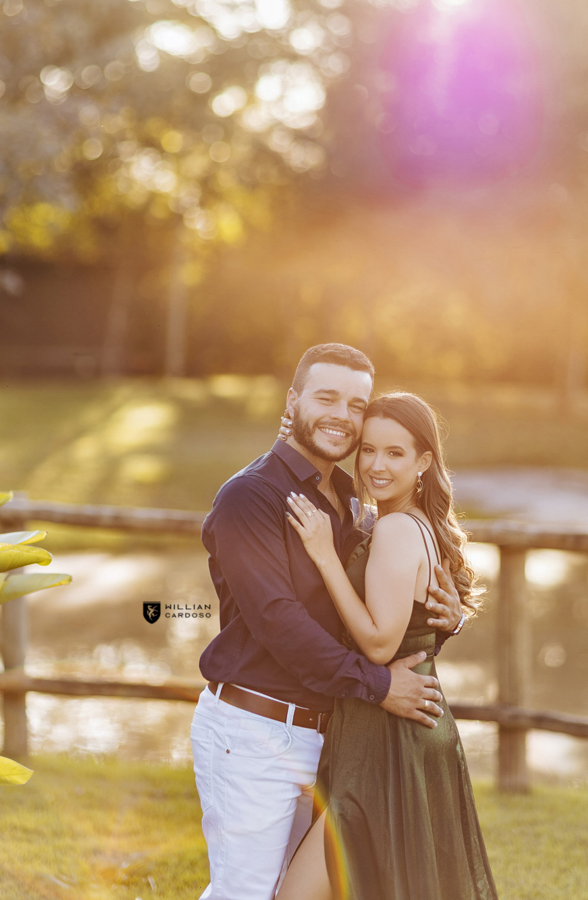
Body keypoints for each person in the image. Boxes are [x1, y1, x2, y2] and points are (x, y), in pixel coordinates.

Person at [190, 344, 465, 900]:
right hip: (254, 731)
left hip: (330, 733)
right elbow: (279, 623)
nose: (342, 414)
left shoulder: (348, 499)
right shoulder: (251, 498)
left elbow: (369, 610)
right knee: (244, 892)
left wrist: (440, 617)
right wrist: (381, 686)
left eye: (356, 404)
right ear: (293, 401)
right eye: (327, 397)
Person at [277, 391, 497, 900]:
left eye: (395, 453)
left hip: (389, 739)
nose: (376, 465)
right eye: (369, 450)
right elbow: (420, 622)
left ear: (423, 462)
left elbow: (379, 645)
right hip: (399, 730)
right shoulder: (405, 522)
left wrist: (325, 557)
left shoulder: (397, 527)